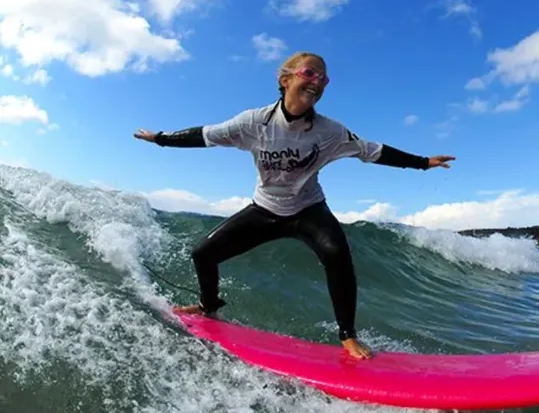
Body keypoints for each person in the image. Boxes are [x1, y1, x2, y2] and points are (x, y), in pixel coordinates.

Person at [134, 51, 454, 359]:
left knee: (337, 256)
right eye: (309, 73)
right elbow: (205, 135)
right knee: (202, 253)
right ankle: (208, 306)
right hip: (266, 209)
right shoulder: (253, 122)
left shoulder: (331, 131)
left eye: (324, 79)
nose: (317, 82)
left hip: (308, 209)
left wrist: (423, 162)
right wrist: (160, 138)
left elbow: (373, 151)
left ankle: (348, 335)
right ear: (285, 79)